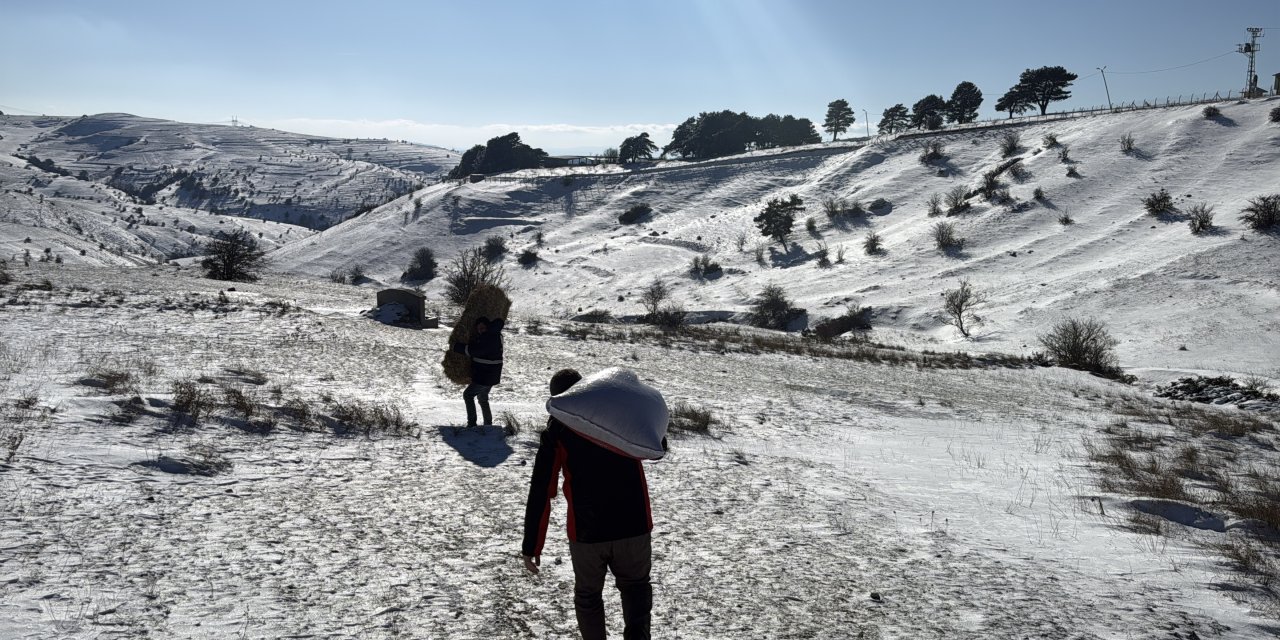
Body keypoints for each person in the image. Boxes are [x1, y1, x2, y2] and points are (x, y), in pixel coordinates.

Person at [522, 369, 653, 640]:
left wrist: (532, 545)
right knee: (636, 588)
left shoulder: (557, 431)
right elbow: (656, 442)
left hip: (587, 532)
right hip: (634, 523)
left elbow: (541, 490)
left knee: (588, 597)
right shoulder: (618, 415)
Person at [453, 316, 504, 428]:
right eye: (479, 328)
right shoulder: (495, 336)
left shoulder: (489, 337)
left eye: (483, 327)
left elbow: (476, 351)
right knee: (482, 398)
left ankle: (472, 424)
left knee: (468, 395)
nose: (480, 330)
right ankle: (488, 424)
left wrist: (457, 347)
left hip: (485, 375)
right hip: (491, 375)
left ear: (488, 327)